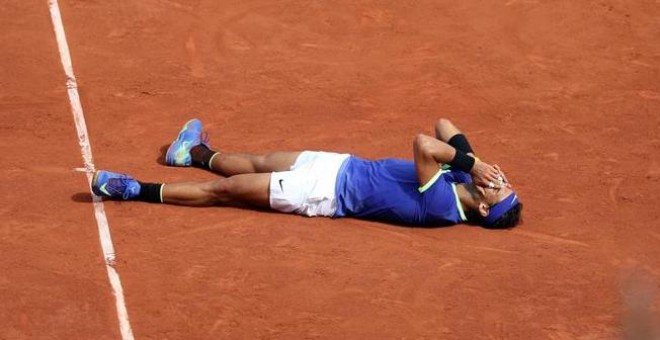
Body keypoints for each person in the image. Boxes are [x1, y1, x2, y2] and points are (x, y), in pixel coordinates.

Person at [92, 118, 522, 228]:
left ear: (483, 209)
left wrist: (471, 165)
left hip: (320, 194)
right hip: (338, 164)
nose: (499, 181)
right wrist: (475, 163)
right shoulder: (459, 180)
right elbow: (445, 123)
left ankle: (132, 190)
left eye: (500, 191)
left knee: (224, 191)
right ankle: (192, 151)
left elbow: (425, 142)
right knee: (258, 159)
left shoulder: (442, 202)